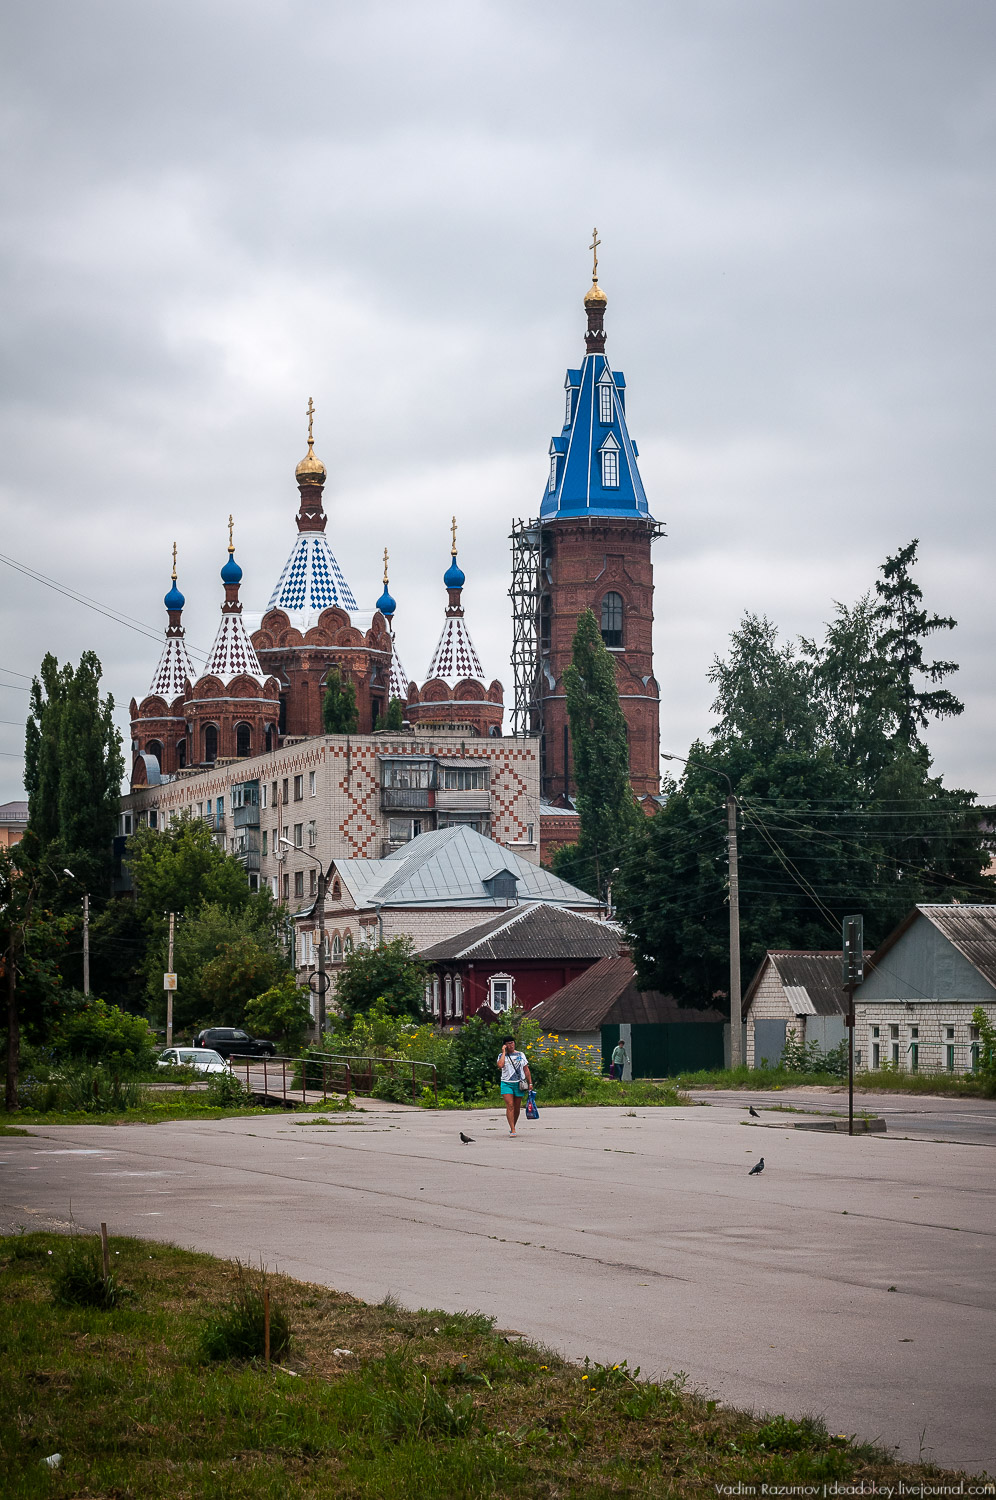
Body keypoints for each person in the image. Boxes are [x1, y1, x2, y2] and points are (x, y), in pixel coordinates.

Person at [497, 1034, 533, 1136]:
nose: (511, 1045)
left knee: (517, 1107)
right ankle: (513, 1129)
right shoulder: (501, 1056)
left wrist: (530, 1082)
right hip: (506, 1083)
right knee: (510, 1105)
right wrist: (504, 1052)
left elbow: (526, 1069)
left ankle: (513, 1125)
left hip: (519, 1083)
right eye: (508, 1043)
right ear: (505, 1045)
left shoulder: (521, 1055)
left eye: (512, 1043)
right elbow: (500, 1065)